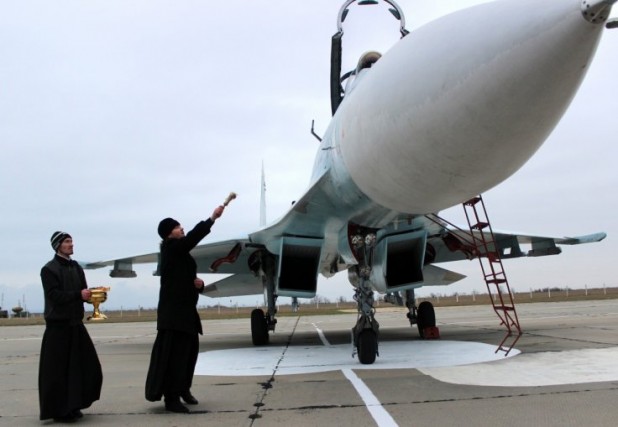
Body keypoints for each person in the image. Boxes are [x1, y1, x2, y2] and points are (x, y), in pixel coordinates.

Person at [145, 205, 225, 413]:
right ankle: (171, 399)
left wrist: (195, 283)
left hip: (186, 314)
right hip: (174, 317)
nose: (182, 229)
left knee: (189, 355)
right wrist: (212, 219)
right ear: (168, 233)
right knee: (175, 358)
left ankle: (183, 390)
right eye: (178, 227)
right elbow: (192, 239)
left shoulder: (180, 253)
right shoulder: (171, 249)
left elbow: (182, 279)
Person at [39, 231, 103, 422]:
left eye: (71, 241)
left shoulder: (76, 267)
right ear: (58, 245)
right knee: (58, 373)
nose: (71, 244)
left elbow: (82, 291)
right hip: (58, 327)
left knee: (84, 368)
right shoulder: (48, 269)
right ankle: (60, 411)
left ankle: (75, 404)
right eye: (67, 242)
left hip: (76, 325)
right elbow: (54, 296)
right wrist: (78, 295)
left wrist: (93, 296)